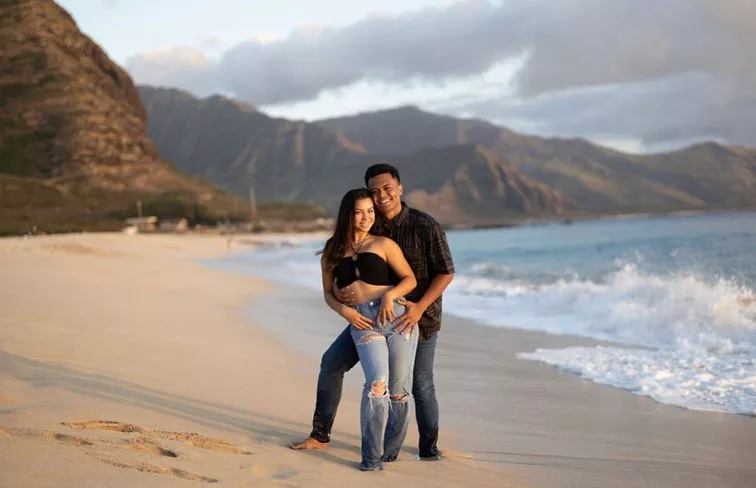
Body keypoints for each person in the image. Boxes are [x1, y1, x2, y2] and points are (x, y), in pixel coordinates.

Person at [290, 164, 455, 461]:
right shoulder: (372, 225)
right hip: (368, 317)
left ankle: (427, 450)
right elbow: (352, 263)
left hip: (418, 315)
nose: (382, 196)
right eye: (375, 191)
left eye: (387, 189)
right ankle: (320, 435)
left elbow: (445, 273)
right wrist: (343, 298)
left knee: (419, 384)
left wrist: (418, 307)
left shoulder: (424, 225)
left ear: (400, 188)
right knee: (332, 364)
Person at [318, 188, 419, 471]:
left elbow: (409, 279)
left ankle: (391, 451)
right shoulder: (332, 250)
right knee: (377, 385)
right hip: (362, 321)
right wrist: (346, 311)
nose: (366, 218)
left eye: (370, 212)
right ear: (347, 215)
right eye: (359, 212)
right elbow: (328, 292)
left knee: (398, 391)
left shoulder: (384, 244)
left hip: (396, 317)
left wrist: (389, 295)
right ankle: (371, 459)